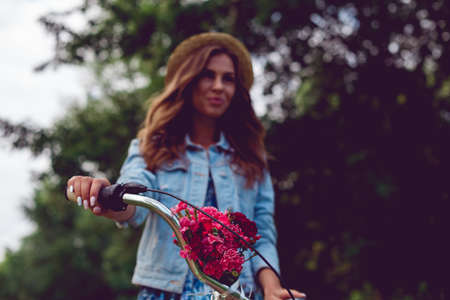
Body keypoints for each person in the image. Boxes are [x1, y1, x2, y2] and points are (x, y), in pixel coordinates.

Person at [67, 32, 305, 300]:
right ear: (189, 81)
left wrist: (272, 288)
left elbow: (262, 231)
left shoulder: (251, 156)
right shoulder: (152, 145)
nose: (218, 86)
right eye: (208, 75)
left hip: (236, 292)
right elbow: (134, 206)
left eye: (228, 79)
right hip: (167, 292)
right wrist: (106, 194)